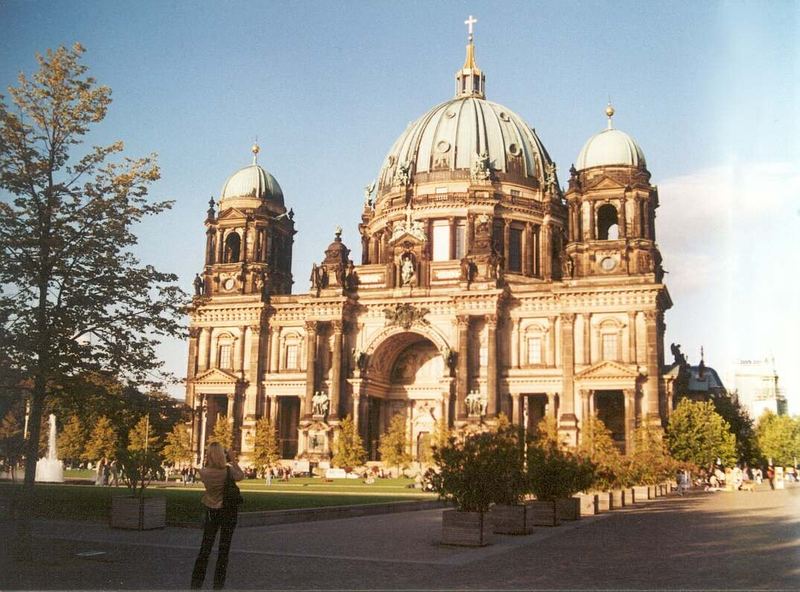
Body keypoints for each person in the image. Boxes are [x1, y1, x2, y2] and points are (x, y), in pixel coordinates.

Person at [190, 443, 244, 589]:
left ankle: (196, 584)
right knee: (223, 551)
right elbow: (241, 476)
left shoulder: (204, 473)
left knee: (205, 549)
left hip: (211, 511)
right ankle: (218, 585)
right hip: (228, 511)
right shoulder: (228, 471)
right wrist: (233, 459)